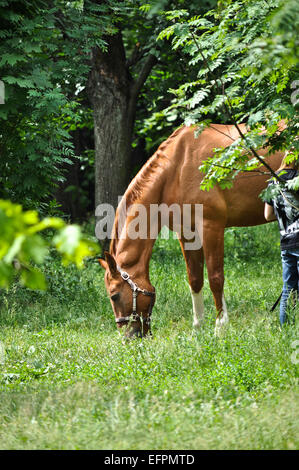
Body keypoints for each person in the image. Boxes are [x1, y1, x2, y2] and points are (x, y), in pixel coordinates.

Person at [264, 152, 299, 326]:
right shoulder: (298, 179)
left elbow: (267, 215)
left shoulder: (273, 181)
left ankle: (285, 328)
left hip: (286, 242)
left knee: (288, 289)